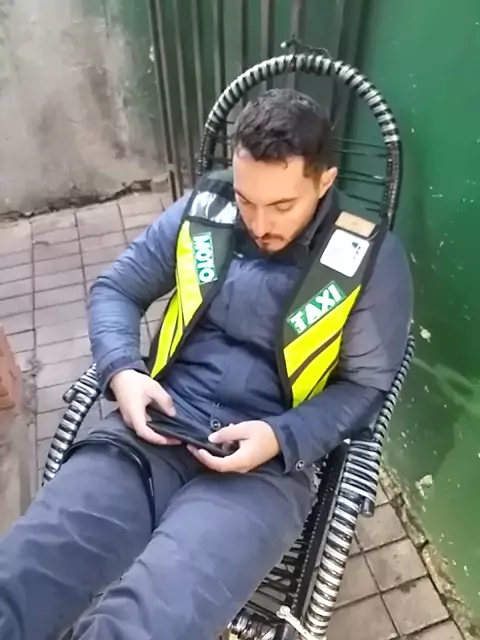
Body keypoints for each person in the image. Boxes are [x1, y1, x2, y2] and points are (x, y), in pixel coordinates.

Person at [0, 88, 413, 640]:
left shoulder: (369, 258)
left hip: (263, 470)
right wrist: (123, 371)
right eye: (246, 199)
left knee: (146, 623)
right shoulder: (208, 208)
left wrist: (281, 437)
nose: (258, 223)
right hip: (155, 427)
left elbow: (366, 387)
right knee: (25, 571)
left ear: (324, 182)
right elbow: (118, 288)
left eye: (282, 206)